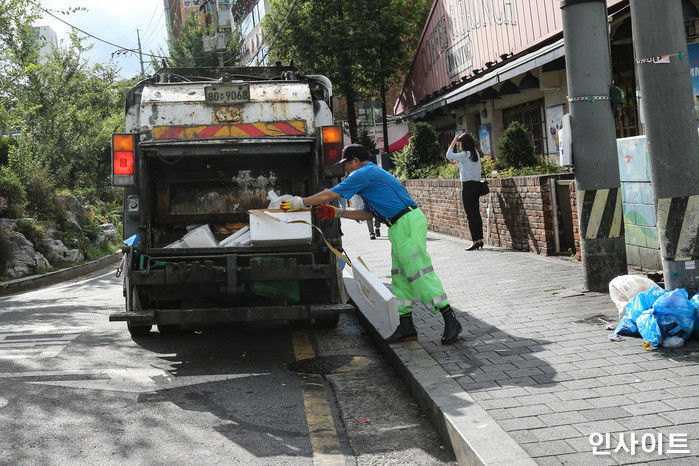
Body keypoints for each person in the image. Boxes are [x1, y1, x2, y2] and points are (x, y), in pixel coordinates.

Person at [281, 144, 462, 344]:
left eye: (347, 164)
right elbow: (367, 214)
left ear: (356, 161)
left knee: (418, 272)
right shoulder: (370, 177)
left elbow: (330, 194)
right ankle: (406, 326)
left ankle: (450, 318)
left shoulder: (363, 173)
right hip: (399, 225)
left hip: (406, 223)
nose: (346, 169)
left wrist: (301, 202)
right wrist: (339, 213)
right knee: (400, 277)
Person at [447, 132, 484, 251]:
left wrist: (454, 140)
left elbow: (448, 154)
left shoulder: (464, 154)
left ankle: (475, 241)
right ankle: (479, 240)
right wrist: (458, 166)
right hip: (476, 186)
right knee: (476, 214)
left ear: (464, 144)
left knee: (470, 215)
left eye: (460, 143)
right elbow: (470, 169)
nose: (460, 145)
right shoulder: (475, 154)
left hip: (468, 187)